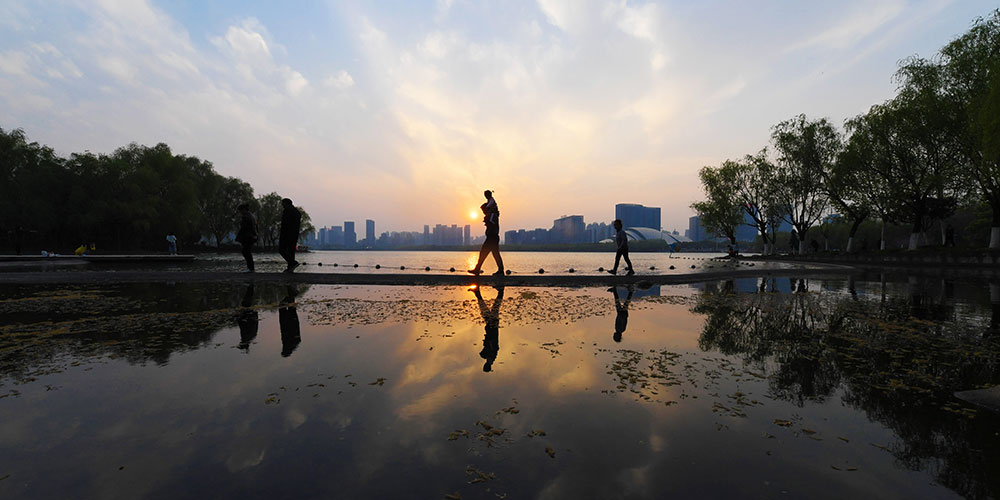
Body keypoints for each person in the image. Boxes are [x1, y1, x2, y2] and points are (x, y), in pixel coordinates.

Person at [468, 190, 504, 276]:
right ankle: (500, 270)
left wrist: (487, 221)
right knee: (493, 254)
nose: (483, 212)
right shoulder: (491, 215)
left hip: (492, 238)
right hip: (492, 237)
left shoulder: (492, 215)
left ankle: (478, 269)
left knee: (485, 253)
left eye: (484, 211)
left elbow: (492, 226)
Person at [472, 285, 504, 372]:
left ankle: (478, 292)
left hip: (492, 327)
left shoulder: (490, 357)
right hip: (492, 327)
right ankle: (500, 290)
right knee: (492, 308)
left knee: (489, 308)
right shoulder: (491, 356)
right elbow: (493, 344)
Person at [279, 198, 302, 273]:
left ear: (287, 204)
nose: (282, 205)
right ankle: (290, 267)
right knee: (291, 250)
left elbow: (285, 224)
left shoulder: (288, 212)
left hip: (287, 233)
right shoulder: (297, 212)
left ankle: (292, 263)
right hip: (294, 234)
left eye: (283, 204)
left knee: (282, 249)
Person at [279, 285, 301, 357]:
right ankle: (291, 291)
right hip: (289, 323)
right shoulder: (292, 343)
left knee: (287, 306)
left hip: (288, 323)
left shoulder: (293, 343)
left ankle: (291, 290)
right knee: (285, 306)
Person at [236, 203, 258, 272]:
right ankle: (251, 268)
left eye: (240, 211)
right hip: (251, 236)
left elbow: (243, 228)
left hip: (247, 236)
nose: (240, 212)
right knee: (246, 251)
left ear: (243, 209)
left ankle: (251, 268)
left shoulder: (246, 217)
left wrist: (238, 236)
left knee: (246, 251)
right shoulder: (251, 216)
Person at [237, 283, 258, 352]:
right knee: (246, 302)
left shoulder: (250, 337)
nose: (240, 342)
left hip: (249, 317)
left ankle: (250, 287)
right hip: (248, 317)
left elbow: (244, 327)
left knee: (246, 302)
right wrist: (240, 319)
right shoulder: (247, 337)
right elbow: (244, 327)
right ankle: (250, 287)